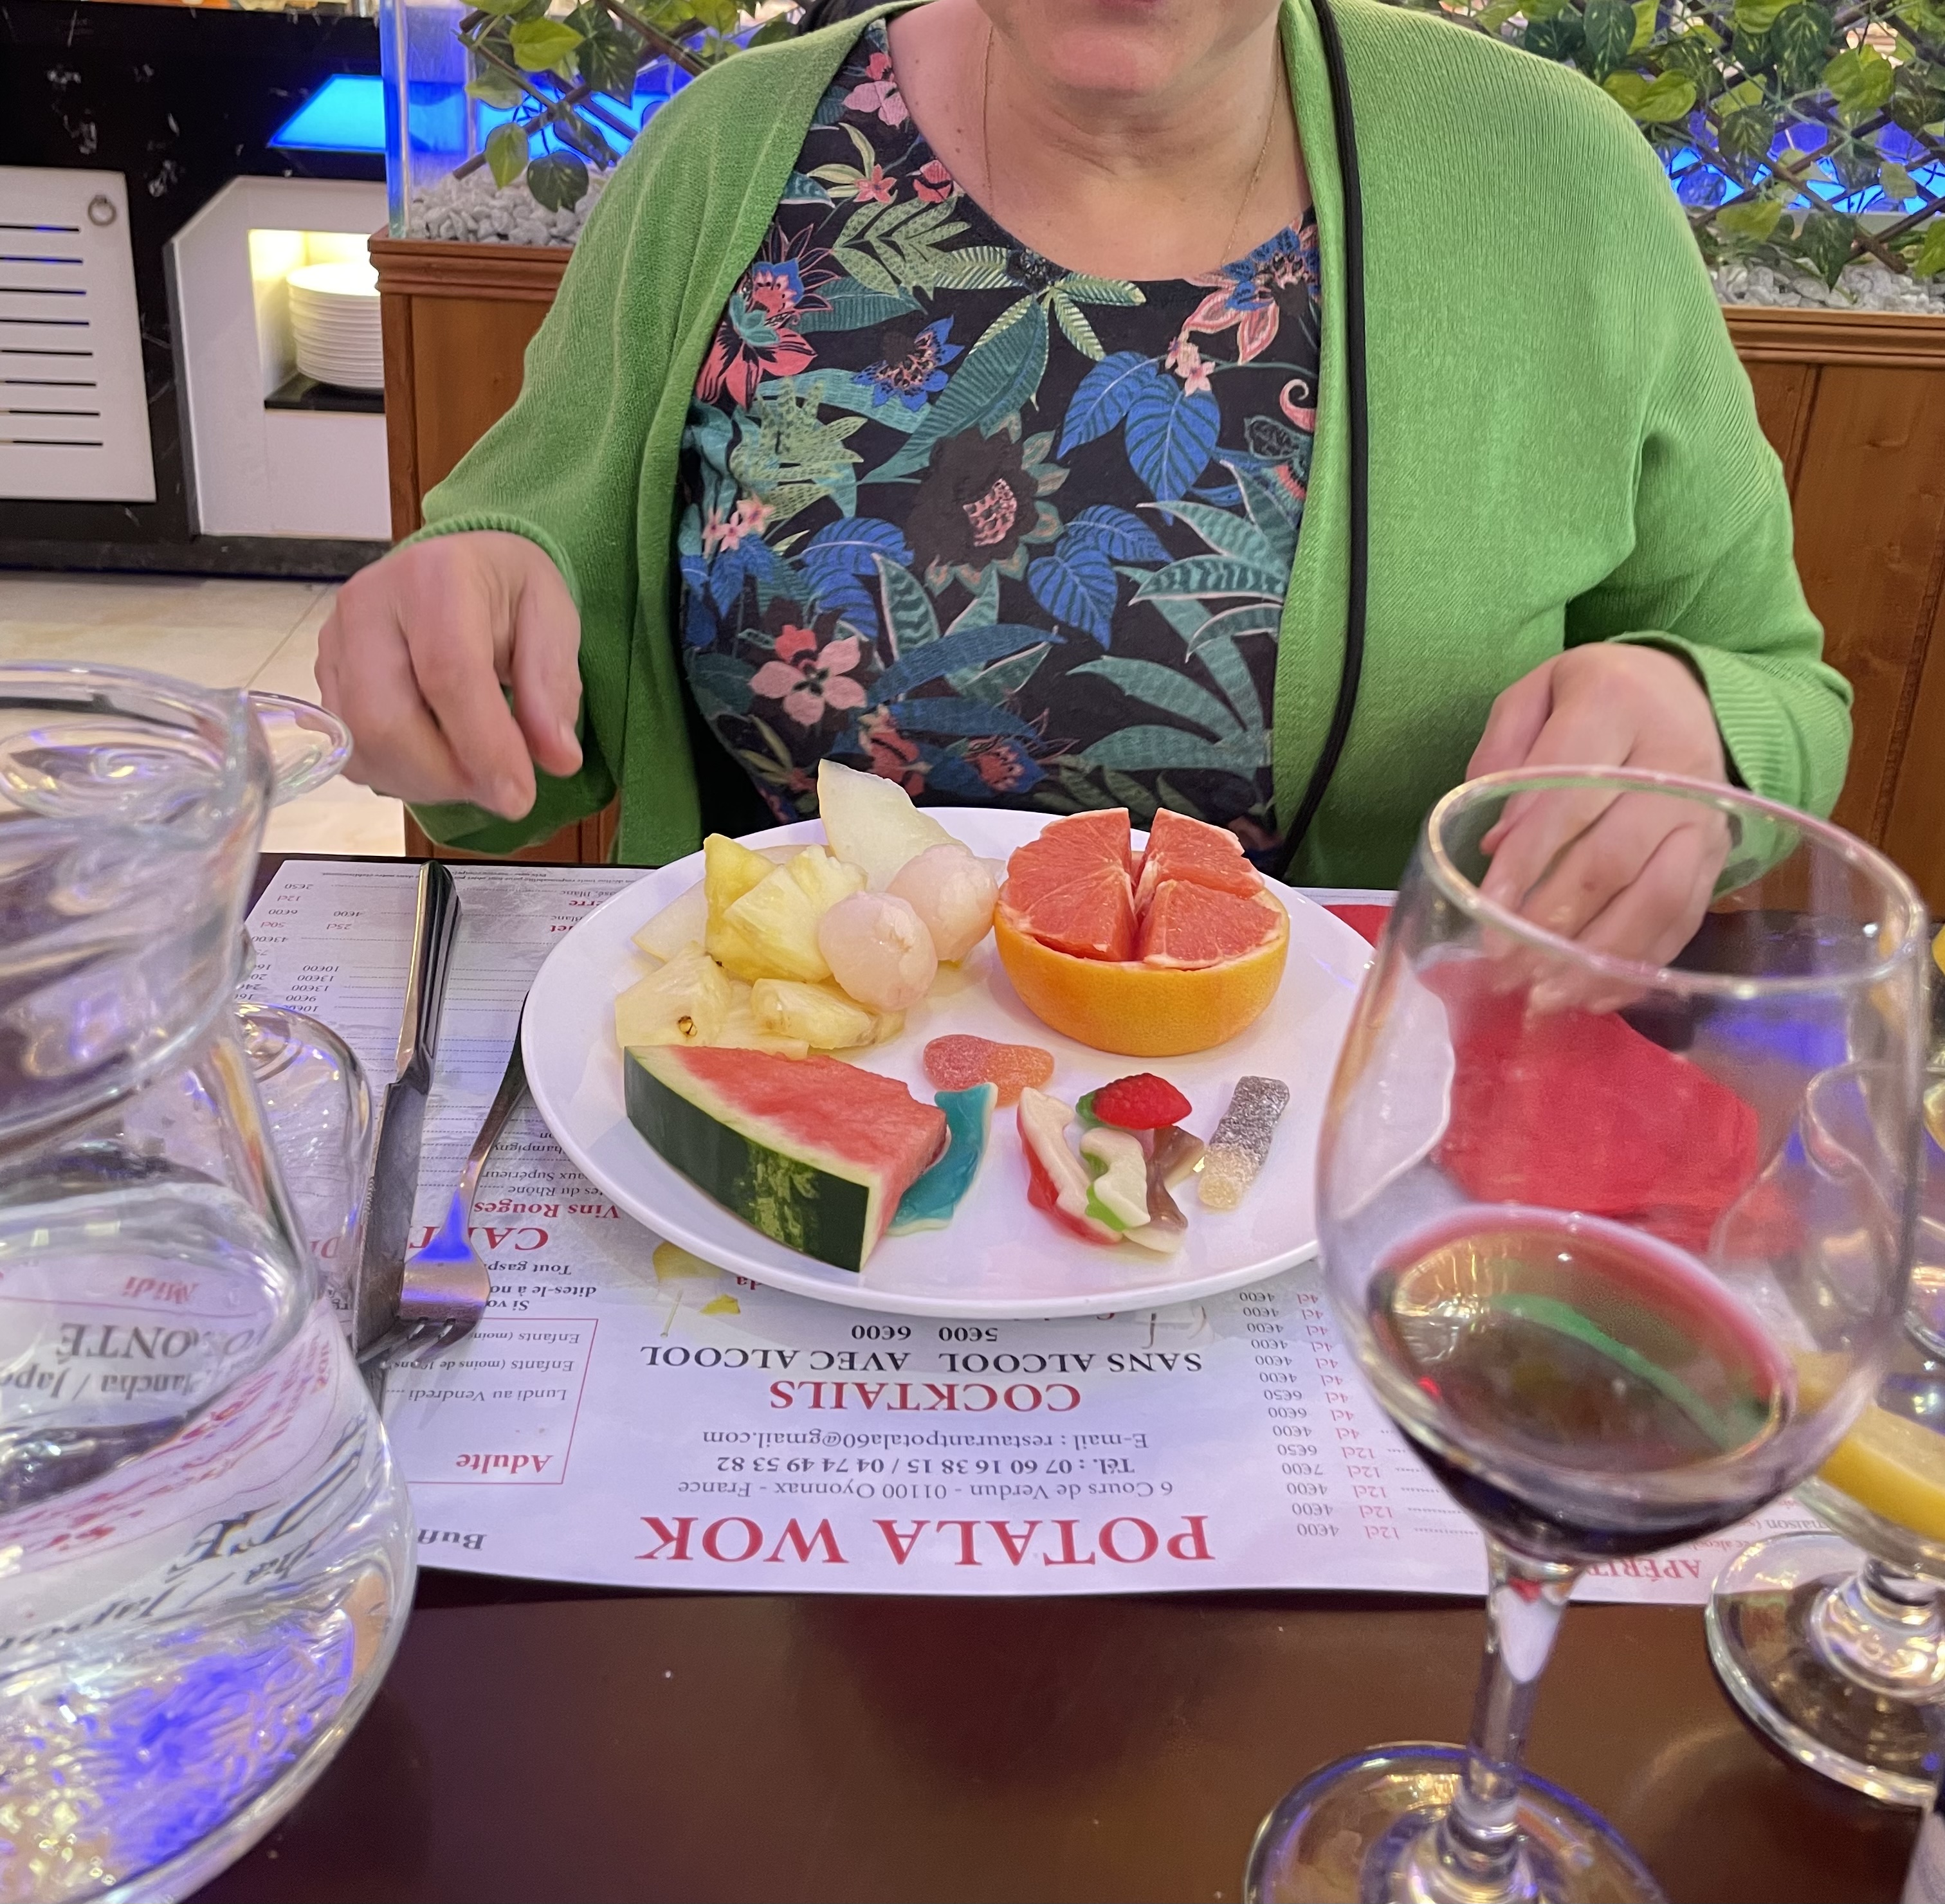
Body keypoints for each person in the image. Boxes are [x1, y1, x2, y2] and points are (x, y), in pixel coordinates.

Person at [318, 0, 1849, 969]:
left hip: (1324, 1151)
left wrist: (1696, 724)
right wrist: (451, 651)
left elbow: (1781, 693)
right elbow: (520, 706)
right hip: (771, 1093)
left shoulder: (1555, 179)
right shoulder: (728, 158)